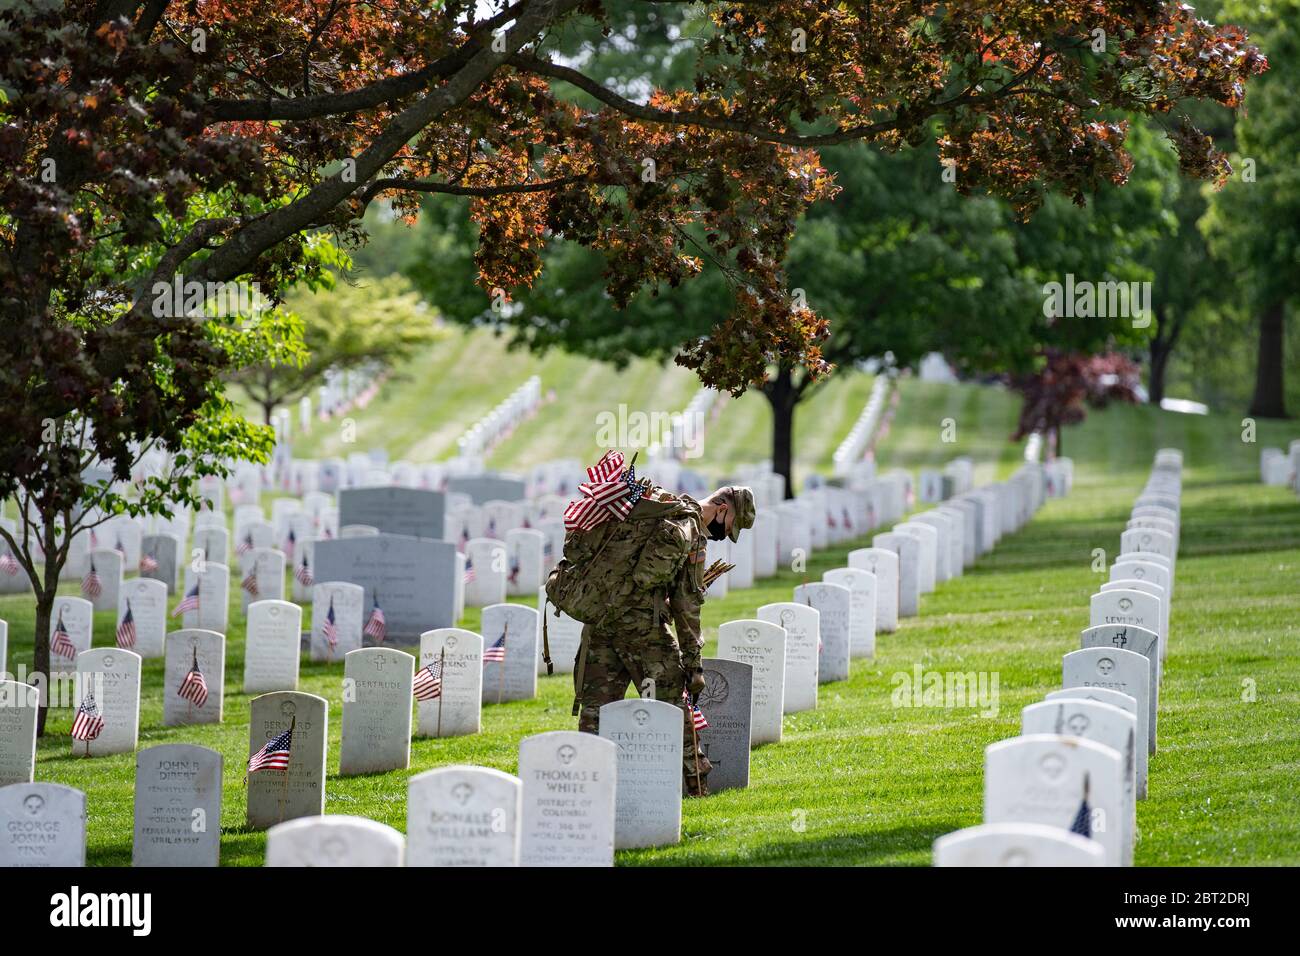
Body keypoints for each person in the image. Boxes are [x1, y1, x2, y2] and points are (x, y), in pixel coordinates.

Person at [564, 476, 755, 797]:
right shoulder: (689, 527)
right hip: (642, 629)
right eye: (731, 526)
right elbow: (687, 605)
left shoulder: (658, 508)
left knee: (597, 710)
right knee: (674, 707)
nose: (726, 535)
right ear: (722, 509)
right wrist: (693, 668)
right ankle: (696, 786)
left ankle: (585, 785)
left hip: (601, 621)